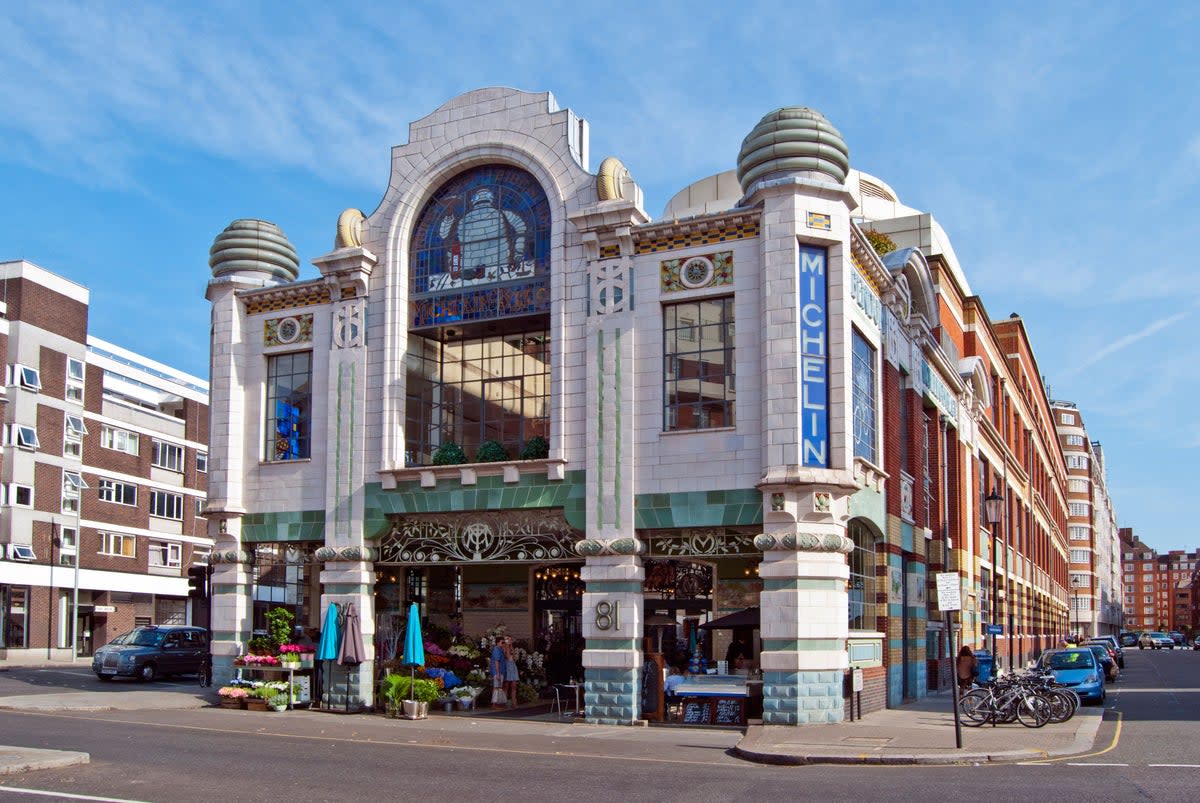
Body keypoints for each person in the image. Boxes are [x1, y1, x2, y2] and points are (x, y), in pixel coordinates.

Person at [502, 637, 520, 708]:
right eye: (507, 639)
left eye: (510, 639)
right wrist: (507, 647)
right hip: (507, 666)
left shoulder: (512, 648)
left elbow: (515, 658)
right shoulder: (504, 648)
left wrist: (511, 647)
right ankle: (505, 702)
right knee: (506, 685)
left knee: (514, 685)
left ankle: (514, 702)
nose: (509, 640)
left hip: (513, 666)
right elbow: (507, 656)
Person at [490, 637, 507, 708]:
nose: (503, 644)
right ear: (497, 642)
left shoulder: (501, 650)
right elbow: (497, 661)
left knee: (499, 687)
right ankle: (494, 704)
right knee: (496, 687)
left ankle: (498, 702)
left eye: (504, 642)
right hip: (498, 671)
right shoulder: (496, 650)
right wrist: (497, 673)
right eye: (502, 642)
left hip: (501, 671)